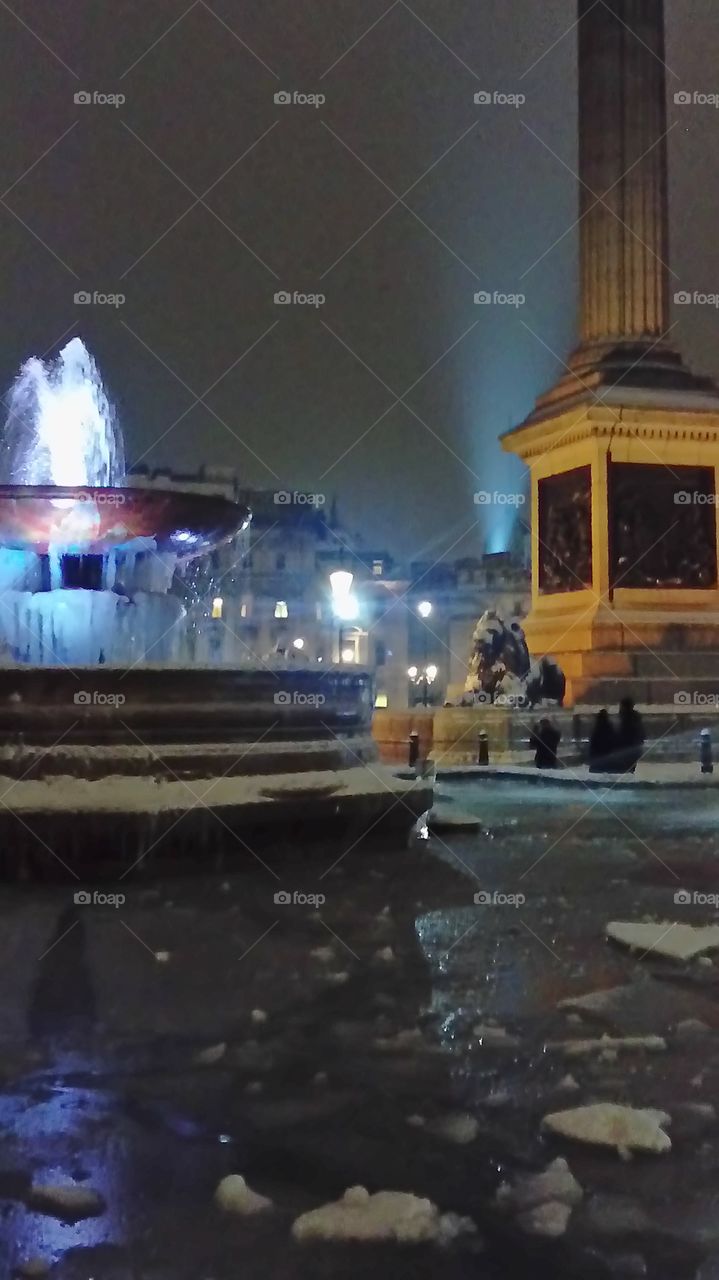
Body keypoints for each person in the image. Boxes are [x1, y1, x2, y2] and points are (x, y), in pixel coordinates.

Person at [615, 697, 645, 774]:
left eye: (621, 706)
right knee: (629, 766)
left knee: (626, 766)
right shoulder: (634, 716)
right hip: (633, 745)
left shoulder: (627, 717)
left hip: (628, 745)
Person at [589, 708, 617, 773]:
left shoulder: (597, 727)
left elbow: (593, 742)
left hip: (598, 753)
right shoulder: (609, 726)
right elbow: (613, 739)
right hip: (606, 752)